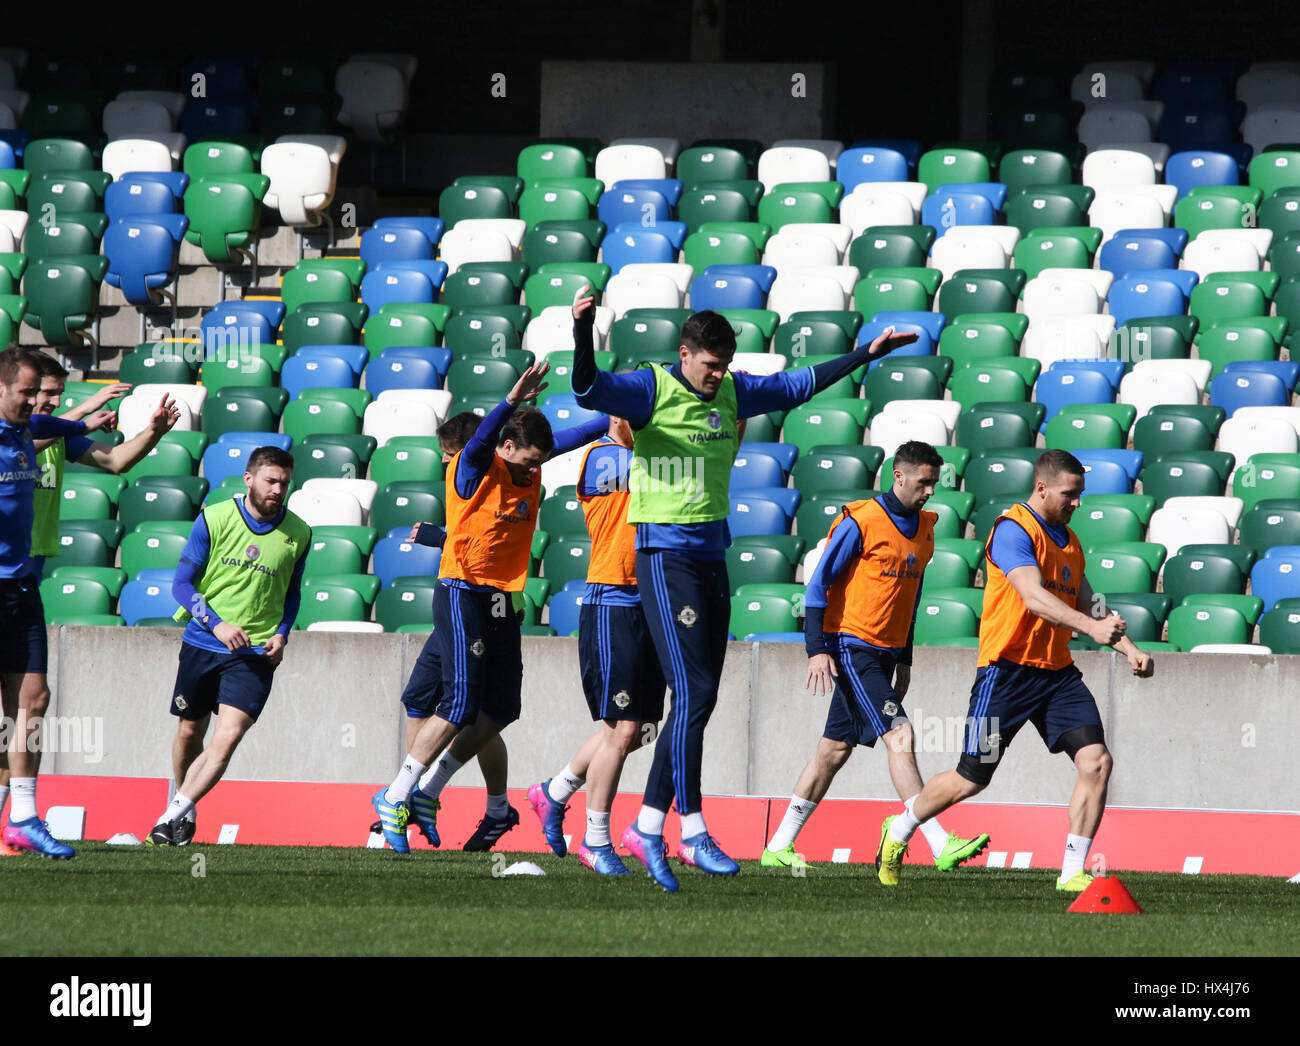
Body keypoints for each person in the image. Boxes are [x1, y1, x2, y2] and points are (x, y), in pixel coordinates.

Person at [571, 287, 917, 890]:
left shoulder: (731, 390)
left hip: (710, 557)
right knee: (695, 688)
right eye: (709, 365)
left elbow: (799, 385)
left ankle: (648, 824)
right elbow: (587, 388)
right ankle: (693, 826)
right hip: (663, 555)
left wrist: (867, 353)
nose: (717, 376)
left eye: (725, 365)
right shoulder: (651, 389)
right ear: (685, 354)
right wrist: (582, 330)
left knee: (700, 698)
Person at [876, 450, 1154, 892]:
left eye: (1080, 494)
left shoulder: (1070, 540)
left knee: (1097, 762)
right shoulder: (1012, 530)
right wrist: (1092, 629)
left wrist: (1129, 648)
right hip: (1006, 675)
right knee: (971, 779)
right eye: (1070, 494)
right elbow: (1033, 596)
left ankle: (1072, 872)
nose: (1077, 503)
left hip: (1057, 675)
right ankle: (902, 825)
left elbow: (1088, 601)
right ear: (1042, 488)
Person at [761, 441, 990, 874]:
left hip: (886, 653)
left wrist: (905, 658)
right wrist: (816, 649)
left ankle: (778, 846)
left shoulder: (926, 526)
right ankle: (938, 841)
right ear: (897, 476)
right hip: (852, 646)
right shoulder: (861, 521)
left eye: (934, 484)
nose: (930, 492)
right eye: (923, 482)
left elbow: (912, 595)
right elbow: (818, 586)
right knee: (900, 736)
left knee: (832, 751)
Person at [371, 363, 571, 854]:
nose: (447, 464)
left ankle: (426, 794)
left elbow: (480, 527)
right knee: (442, 702)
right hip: (465, 593)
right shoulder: (473, 466)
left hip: (494, 598)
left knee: (491, 707)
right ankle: (404, 797)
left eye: (449, 454)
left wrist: (615, 409)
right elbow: (471, 519)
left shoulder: (508, 465)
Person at [526, 412, 667, 876]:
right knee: (623, 729)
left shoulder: (646, 454)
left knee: (638, 730)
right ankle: (596, 838)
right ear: (614, 415)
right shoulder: (605, 457)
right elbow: (664, 471)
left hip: (650, 601)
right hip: (613, 601)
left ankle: (554, 792)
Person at [147, 446, 310, 846]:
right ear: (249, 479)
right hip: (203, 642)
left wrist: (284, 632)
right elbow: (181, 586)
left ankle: (170, 817)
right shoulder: (215, 518)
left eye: (284, 484)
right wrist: (217, 624)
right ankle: (185, 808)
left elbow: (292, 593)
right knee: (190, 731)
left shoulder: (300, 533)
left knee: (229, 736)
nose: (277, 490)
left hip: (254, 654)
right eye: (271, 481)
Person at [0, 348, 118, 859]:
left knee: (34, 700)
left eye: (36, 393)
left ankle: (23, 817)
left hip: (22, 584)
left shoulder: (28, 430)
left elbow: (60, 426)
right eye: (26, 393)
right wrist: (86, 412)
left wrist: (145, 427)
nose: (34, 402)